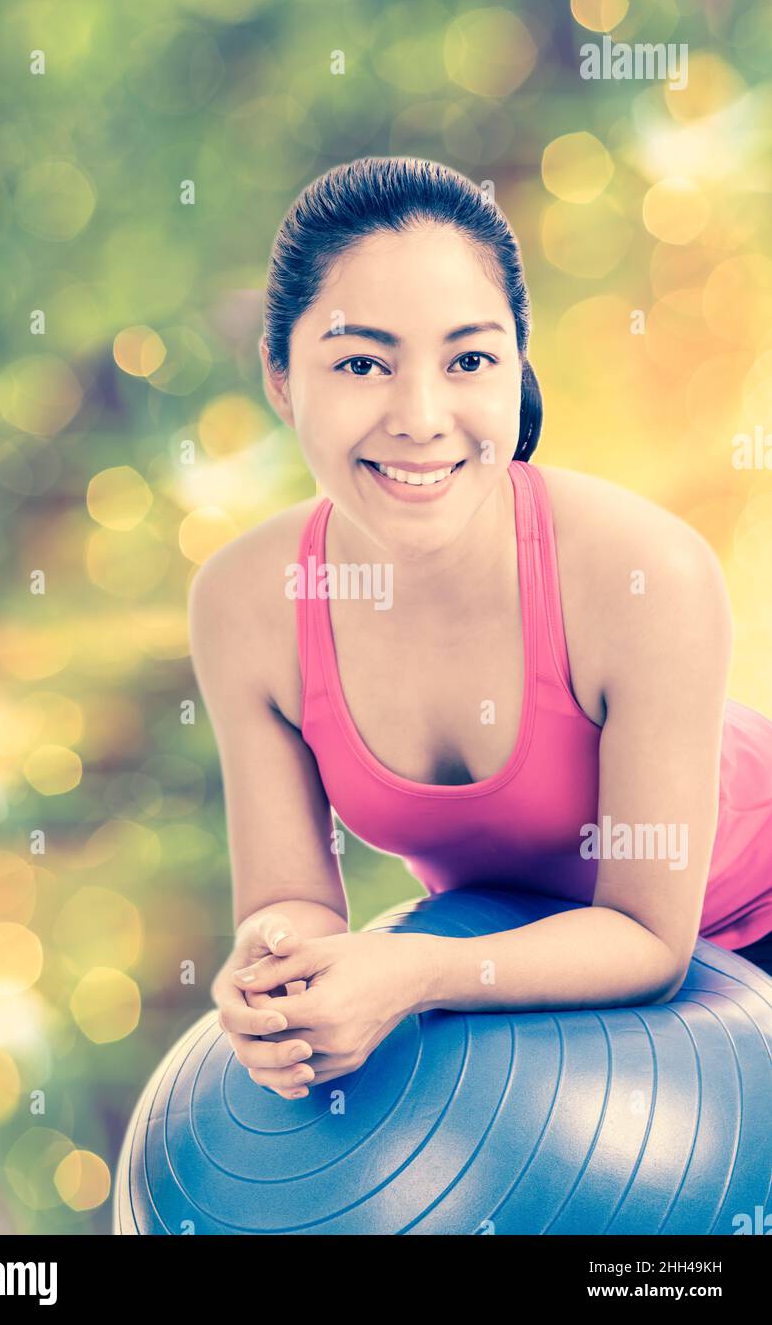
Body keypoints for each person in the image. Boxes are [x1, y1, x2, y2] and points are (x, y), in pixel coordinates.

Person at [188, 156, 772, 1101]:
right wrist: (274, 977)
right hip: (530, 962)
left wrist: (414, 973)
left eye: (469, 360)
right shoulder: (245, 602)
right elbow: (290, 900)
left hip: (735, 937)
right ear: (281, 376)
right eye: (362, 363)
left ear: (517, 369)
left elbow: (650, 942)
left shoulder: (646, 573)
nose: (421, 418)